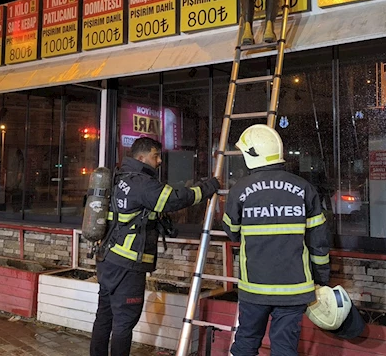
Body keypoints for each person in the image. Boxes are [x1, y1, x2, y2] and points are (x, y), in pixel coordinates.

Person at [90, 137, 220, 356]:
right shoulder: (142, 183)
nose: (159, 160)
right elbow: (175, 200)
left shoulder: (118, 177)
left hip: (108, 258)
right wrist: (208, 187)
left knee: (105, 315)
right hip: (128, 265)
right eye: (155, 155)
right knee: (124, 322)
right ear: (141, 157)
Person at [222, 124, 331, 356]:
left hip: (255, 287)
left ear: (252, 155)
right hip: (294, 288)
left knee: (246, 343)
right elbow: (319, 242)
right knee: (284, 348)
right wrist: (321, 279)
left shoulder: (240, 190)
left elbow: (231, 230)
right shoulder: (304, 188)